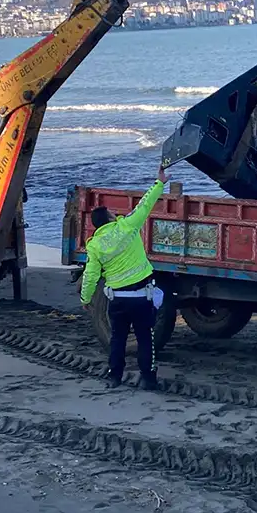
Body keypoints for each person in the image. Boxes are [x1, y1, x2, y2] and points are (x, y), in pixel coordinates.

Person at [80, 165, 170, 390]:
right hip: (141, 298)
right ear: (110, 218)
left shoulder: (95, 246)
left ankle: (115, 377)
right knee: (145, 338)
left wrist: (86, 299)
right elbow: (145, 205)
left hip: (118, 300)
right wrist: (159, 183)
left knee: (117, 339)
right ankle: (148, 379)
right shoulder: (128, 226)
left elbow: (90, 275)